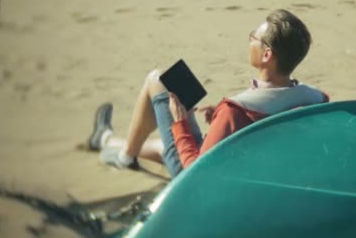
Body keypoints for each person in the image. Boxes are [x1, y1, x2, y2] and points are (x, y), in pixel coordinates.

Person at [87, 9, 329, 177]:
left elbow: (195, 172)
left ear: (266, 55)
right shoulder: (314, 100)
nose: (250, 42)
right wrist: (221, 120)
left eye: (253, 38)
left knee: (157, 79)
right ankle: (105, 139)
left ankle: (124, 156)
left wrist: (181, 124)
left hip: (207, 179)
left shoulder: (235, 110)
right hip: (246, 171)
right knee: (163, 146)